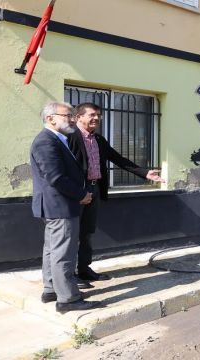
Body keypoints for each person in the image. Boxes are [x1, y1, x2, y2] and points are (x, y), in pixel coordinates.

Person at [68, 103, 165, 287]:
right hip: (77, 192)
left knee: (87, 232)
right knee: (72, 234)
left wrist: (144, 173)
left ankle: (83, 269)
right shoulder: (70, 138)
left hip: (94, 189)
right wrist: (78, 192)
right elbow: (65, 168)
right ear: (79, 117)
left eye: (98, 115)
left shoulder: (98, 140)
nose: (96, 118)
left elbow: (119, 159)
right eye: (91, 114)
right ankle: (70, 274)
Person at [30, 101, 100, 313]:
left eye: (72, 115)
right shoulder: (46, 141)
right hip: (60, 206)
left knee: (52, 250)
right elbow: (56, 177)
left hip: (56, 205)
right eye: (67, 115)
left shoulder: (58, 139)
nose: (71, 118)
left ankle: (51, 289)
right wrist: (82, 195)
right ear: (51, 118)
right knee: (63, 253)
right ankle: (68, 300)